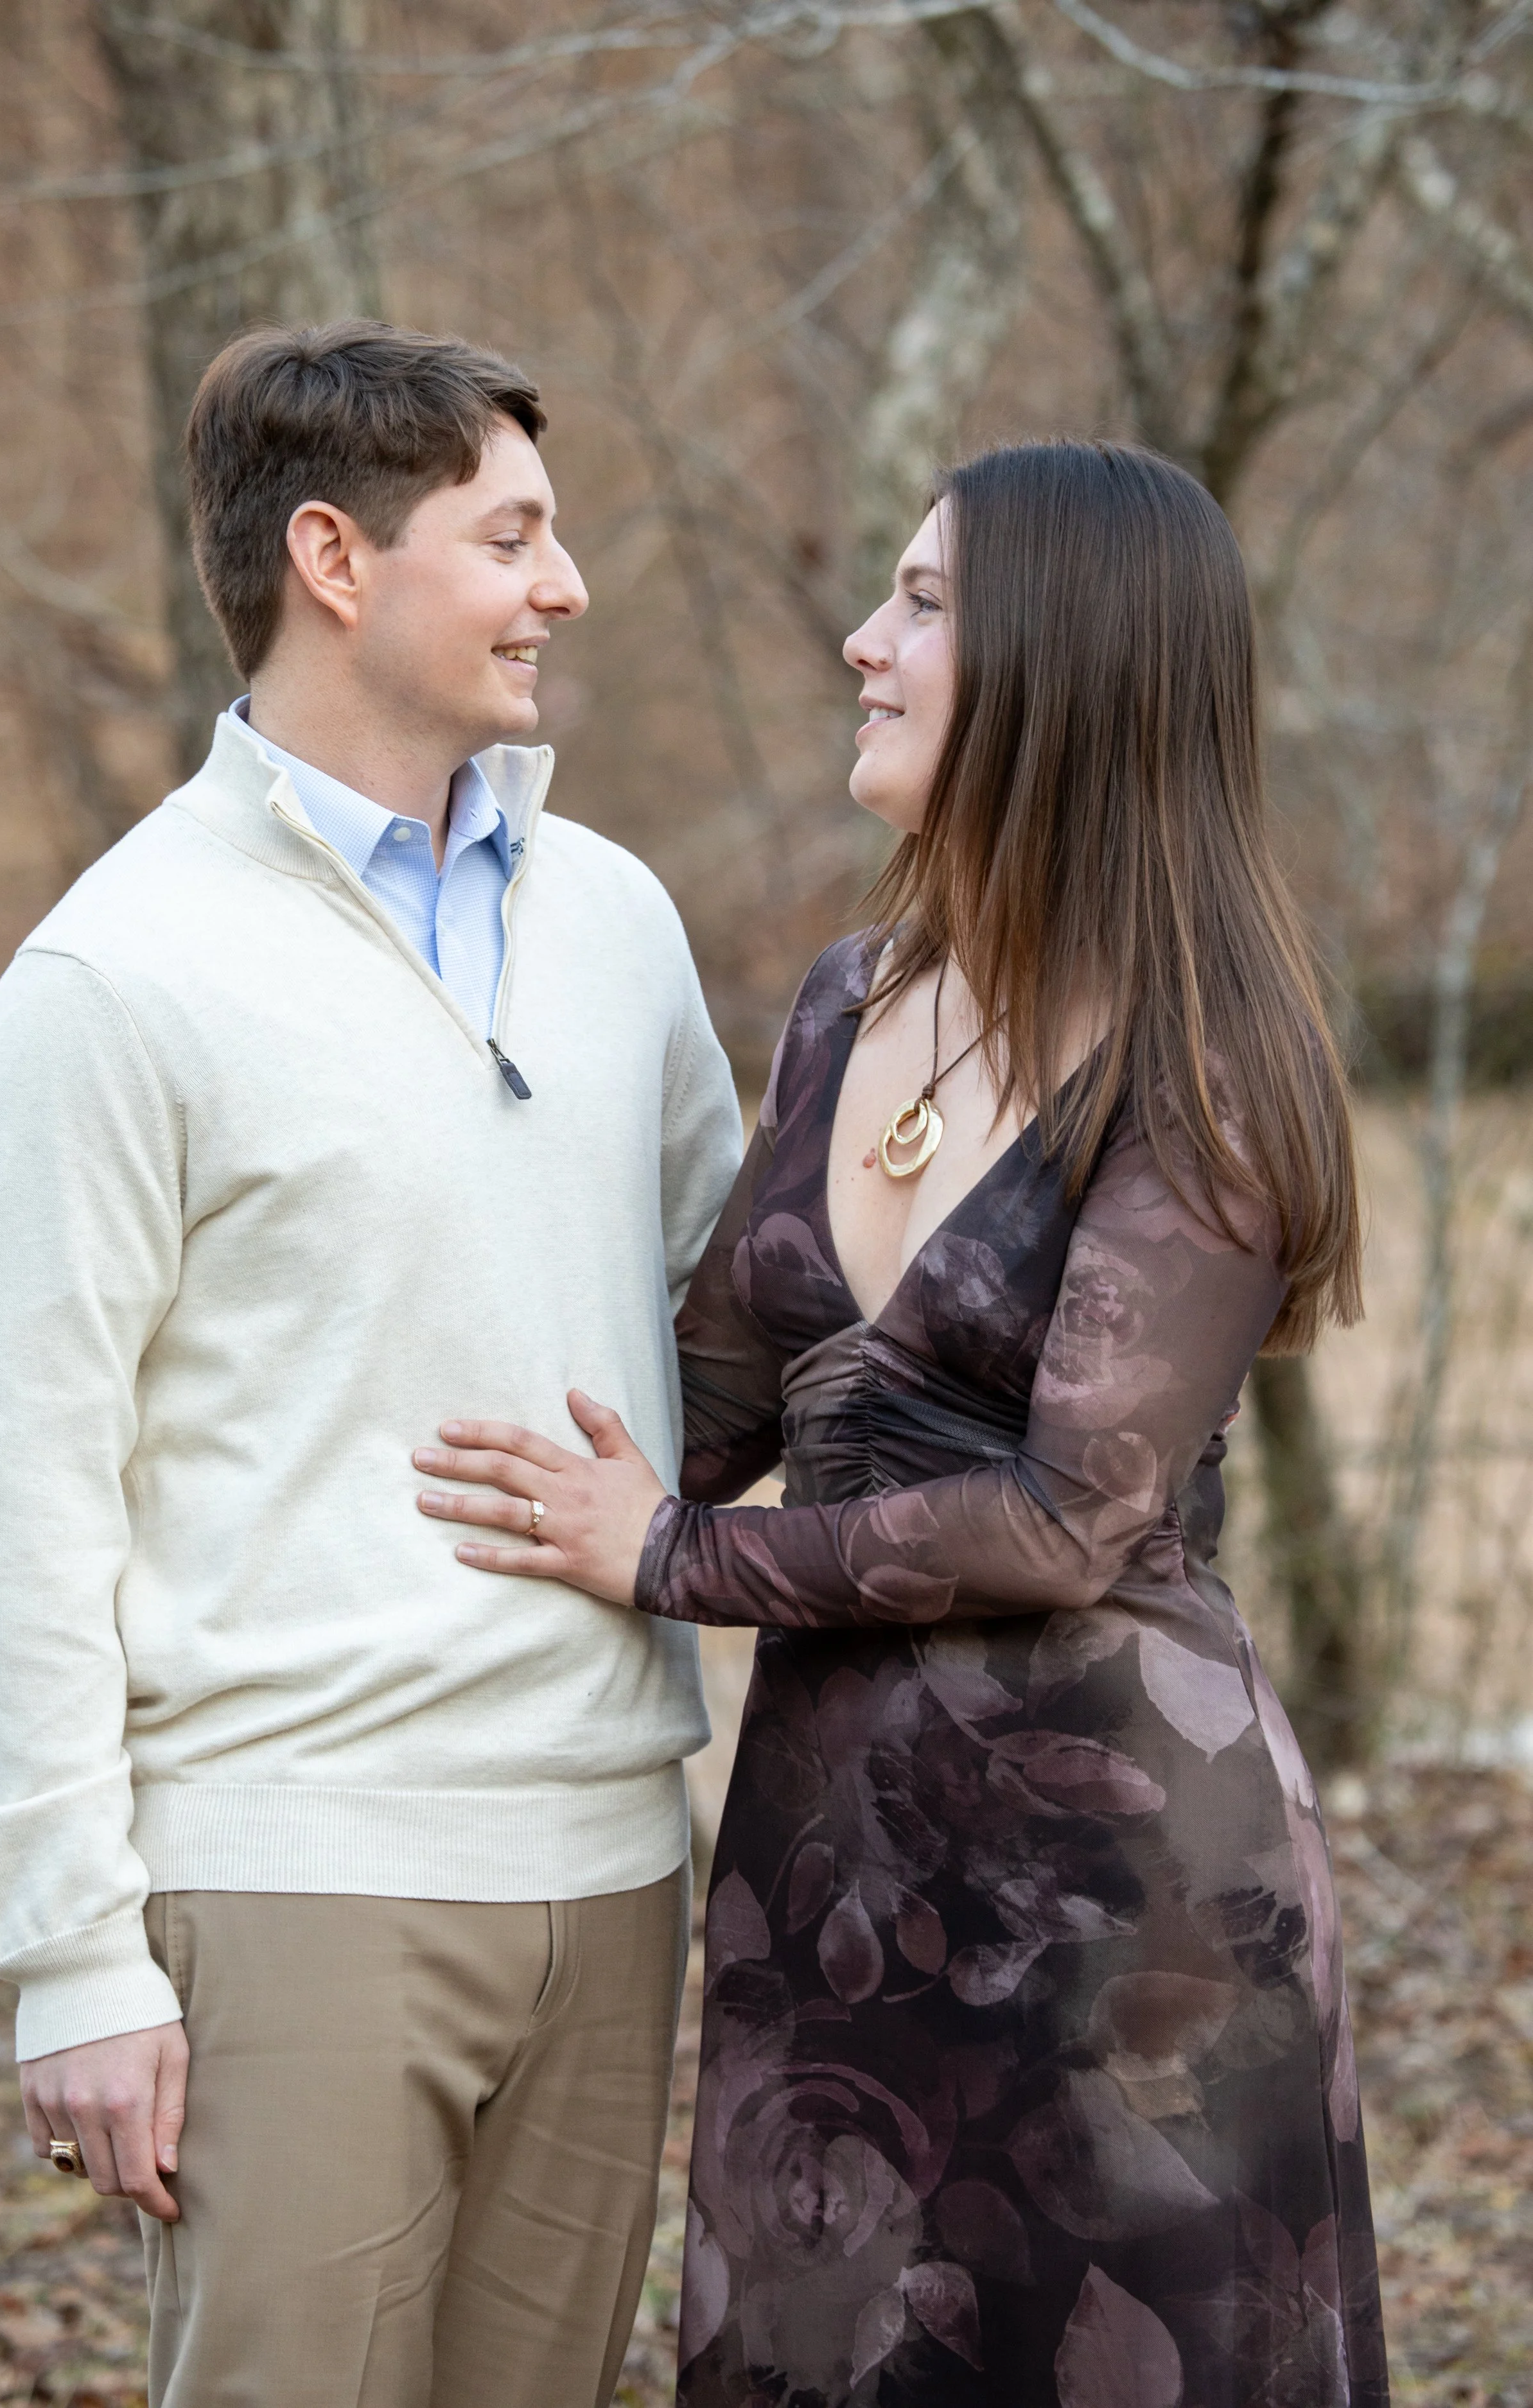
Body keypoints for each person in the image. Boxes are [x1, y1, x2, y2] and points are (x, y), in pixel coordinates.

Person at [408, 442, 1390, 2406]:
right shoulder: (850, 1003)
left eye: (924, 604)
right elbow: (703, 1400)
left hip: (1129, 1895)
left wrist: (672, 1560)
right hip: (831, 1871)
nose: (863, 641)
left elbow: (1061, 1516)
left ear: (1066, 664)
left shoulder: (1201, 1058)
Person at [0, 320, 742, 2408]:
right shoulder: (116, 976)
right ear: (334, 558)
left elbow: (731, 1326)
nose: (563, 587)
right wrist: (72, 1955)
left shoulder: (616, 922)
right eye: (512, 536)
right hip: (293, 1878)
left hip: (613, 1855)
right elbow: (5, 1485)